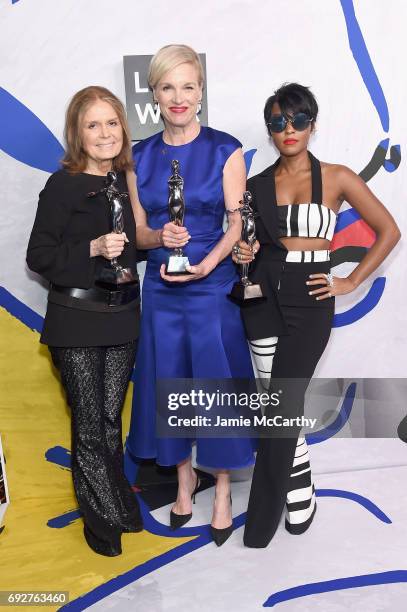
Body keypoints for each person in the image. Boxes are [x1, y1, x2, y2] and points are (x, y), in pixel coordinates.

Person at [232, 83, 401, 548]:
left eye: (297, 120)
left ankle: (260, 524)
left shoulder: (339, 177)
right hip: (264, 297)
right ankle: (301, 486)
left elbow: (389, 230)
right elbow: (252, 249)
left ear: (313, 123)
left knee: (282, 407)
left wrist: (350, 281)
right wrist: (245, 251)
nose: (288, 130)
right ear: (269, 130)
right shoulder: (256, 185)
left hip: (312, 299)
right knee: (276, 407)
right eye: (278, 123)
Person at [125, 44, 256, 546]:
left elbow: (237, 221)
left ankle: (221, 488)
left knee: (215, 388)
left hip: (211, 286)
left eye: (188, 86)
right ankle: (184, 483)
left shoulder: (226, 149)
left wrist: (207, 262)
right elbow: (138, 232)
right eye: (167, 87)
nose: (178, 97)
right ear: (154, 94)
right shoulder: (137, 156)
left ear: (201, 91)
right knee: (170, 384)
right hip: (161, 289)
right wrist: (161, 239)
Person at [26, 86, 142, 556]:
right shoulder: (63, 185)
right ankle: (104, 523)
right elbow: (39, 256)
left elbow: (133, 245)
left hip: (122, 319)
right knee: (90, 426)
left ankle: (114, 505)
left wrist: (163, 237)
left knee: (109, 423)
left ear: (123, 128)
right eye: (93, 125)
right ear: (77, 133)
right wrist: (91, 249)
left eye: (111, 123)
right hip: (76, 321)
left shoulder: (123, 181)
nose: (104, 133)